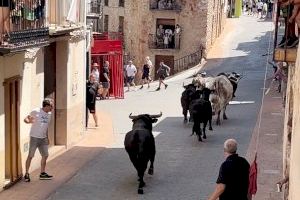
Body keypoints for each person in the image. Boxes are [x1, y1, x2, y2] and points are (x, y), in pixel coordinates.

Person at [24, 98, 54, 182]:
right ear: (46, 106)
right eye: (51, 106)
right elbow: (25, 119)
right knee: (30, 156)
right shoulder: (36, 111)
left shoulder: (49, 114)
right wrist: (29, 121)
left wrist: (47, 137)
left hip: (43, 138)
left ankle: (42, 173)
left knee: (45, 155)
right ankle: (26, 173)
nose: (52, 108)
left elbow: (46, 127)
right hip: (34, 137)